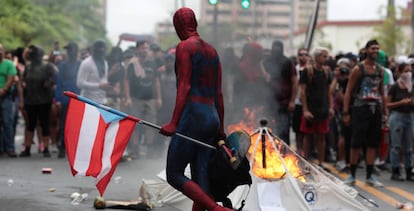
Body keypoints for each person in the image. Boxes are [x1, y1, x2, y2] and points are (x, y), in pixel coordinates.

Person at [159, 7, 230, 211]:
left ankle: (216, 209)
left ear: (177, 27)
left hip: (194, 115)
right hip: (212, 116)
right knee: (200, 177)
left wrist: (174, 122)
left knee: (174, 174)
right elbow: (219, 94)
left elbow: (185, 86)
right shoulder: (212, 51)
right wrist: (221, 129)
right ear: (195, 23)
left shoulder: (185, 47)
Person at [343, 40, 388, 187]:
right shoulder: (358, 69)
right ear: (366, 50)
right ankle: (352, 175)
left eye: (377, 48)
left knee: (372, 143)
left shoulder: (381, 70)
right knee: (356, 143)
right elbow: (348, 91)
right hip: (360, 109)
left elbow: (382, 92)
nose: (375, 51)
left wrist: (385, 111)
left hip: (375, 109)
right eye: (373, 48)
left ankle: (369, 176)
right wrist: (346, 112)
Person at [299, 47, 334, 169]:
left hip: (323, 109)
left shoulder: (327, 72)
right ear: (317, 57)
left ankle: (320, 162)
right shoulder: (307, 71)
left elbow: (329, 91)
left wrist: (331, 107)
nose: (326, 58)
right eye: (324, 56)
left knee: (321, 136)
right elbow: (302, 91)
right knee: (308, 136)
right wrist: (305, 110)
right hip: (311, 109)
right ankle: (306, 162)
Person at [20, 45, 57, 158]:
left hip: (44, 100)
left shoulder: (47, 66)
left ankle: (46, 148)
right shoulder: (28, 67)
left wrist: (48, 83)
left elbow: (55, 78)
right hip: (30, 100)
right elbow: (24, 79)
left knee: (44, 124)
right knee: (30, 124)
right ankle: (27, 148)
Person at [262, 40, 297, 146]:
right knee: (269, 129)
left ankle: (285, 155)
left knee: (284, 131)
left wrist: (292, 101)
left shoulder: (288, 62)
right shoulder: (266, 62)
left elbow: (294, 82)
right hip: (269, 102)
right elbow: (262, 81)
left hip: (284, 102)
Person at [386, 62, 414, 182]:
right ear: (399, 72)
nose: (408, 73)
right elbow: (388, 104)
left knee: (408, 147)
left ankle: (408, 171)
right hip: (397, 116)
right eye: (405, 71)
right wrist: (401, 103)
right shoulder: (394, 87)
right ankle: (395, 171)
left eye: (409, 71)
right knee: (396, 146)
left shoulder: (411, 87)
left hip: (409, 116)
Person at [55, 41, 80, 158]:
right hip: (66, 98)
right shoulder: (62, 66)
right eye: (68, 50)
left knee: (77, 124)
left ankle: (75, 148)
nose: (70, 52)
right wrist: (58, 99)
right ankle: (62, 147)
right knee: (63, 124)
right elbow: (59, 83)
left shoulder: (81, 64)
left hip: (79, 98)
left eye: (72, 49)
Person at [77, 40, 114, 105]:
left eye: (103, 52)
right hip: (88, 101)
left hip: (102, 102)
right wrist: (99, 86)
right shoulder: (86, 63)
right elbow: (79, 83)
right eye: (99, 52)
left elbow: (103, 80)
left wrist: (108, 87)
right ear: (93, 51)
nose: (100, 54)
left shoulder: (105, 63)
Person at [0, 43, 18, 157]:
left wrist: (3, 90)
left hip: (6, 96)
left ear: (3, 52)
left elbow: (11, 78)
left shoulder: (9, 64)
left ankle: (10, 148)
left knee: (7, 122)